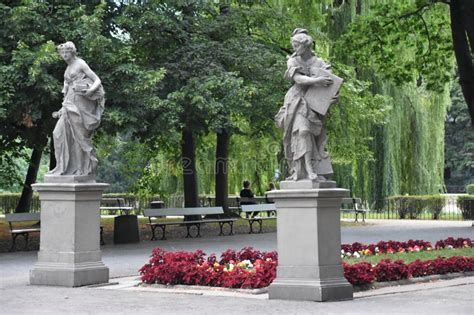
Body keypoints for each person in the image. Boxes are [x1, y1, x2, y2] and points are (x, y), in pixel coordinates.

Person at [275, 28, 338, 181]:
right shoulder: (292, 61)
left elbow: (332, 83)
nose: (294, 49)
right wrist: (317, 81)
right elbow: (298, 80)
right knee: (302, 131)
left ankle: (313, 168)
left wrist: (333, 96)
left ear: (306, 45)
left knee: (314, 136)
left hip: (315, 102)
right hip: (297, 100)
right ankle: (305, 170)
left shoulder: (320, 63)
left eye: (296, 45)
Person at [49, 41, 105, 177]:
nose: (64, 55)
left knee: (79, 137)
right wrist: (62, 108)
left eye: (66, 52)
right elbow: (66, 91)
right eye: (62, 53)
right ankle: (61, 167)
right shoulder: (67, 69)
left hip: (80, 104)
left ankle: (81, 169)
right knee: (58, 134)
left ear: (72, 52)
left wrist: (90, 91)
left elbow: (97, 80)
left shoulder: (80, 63)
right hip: (69, 104)